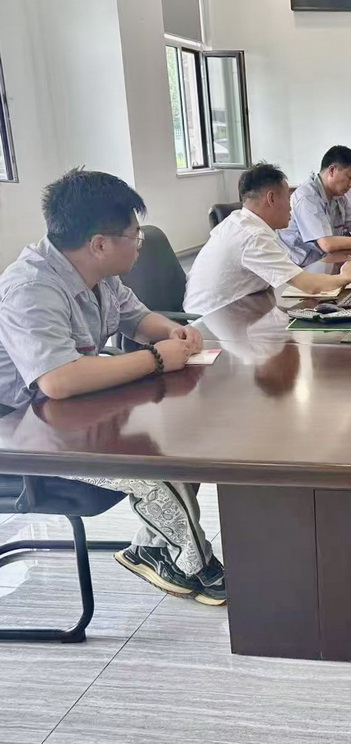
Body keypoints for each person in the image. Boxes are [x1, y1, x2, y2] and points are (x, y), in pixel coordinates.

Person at [0, 169, 225, 605]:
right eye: (134, 236)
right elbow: (58, 380)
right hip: (26, 429)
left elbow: (136, 318)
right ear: (99, 244)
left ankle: (153, 550)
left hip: (75, 408)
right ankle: (192, 565)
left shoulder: (98, 274)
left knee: (184, 434)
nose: (139, 244)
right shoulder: (31, 288)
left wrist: (171, 333)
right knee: (153, 467)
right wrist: (156, 358)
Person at [184, 163, 351, 316]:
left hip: (236, 311)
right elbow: (309, 285)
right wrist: (345, 277)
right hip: (209, 323)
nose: (291, 207)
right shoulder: (253, 236)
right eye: (288, 198)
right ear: (271, 198)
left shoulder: (239, 221)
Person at [278, 145, 351, 267]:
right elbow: (327, 244)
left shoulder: (340, 195)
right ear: (332, 170)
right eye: (350, 178)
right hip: (299, 267)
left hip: (325, 261)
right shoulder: (308, 196)